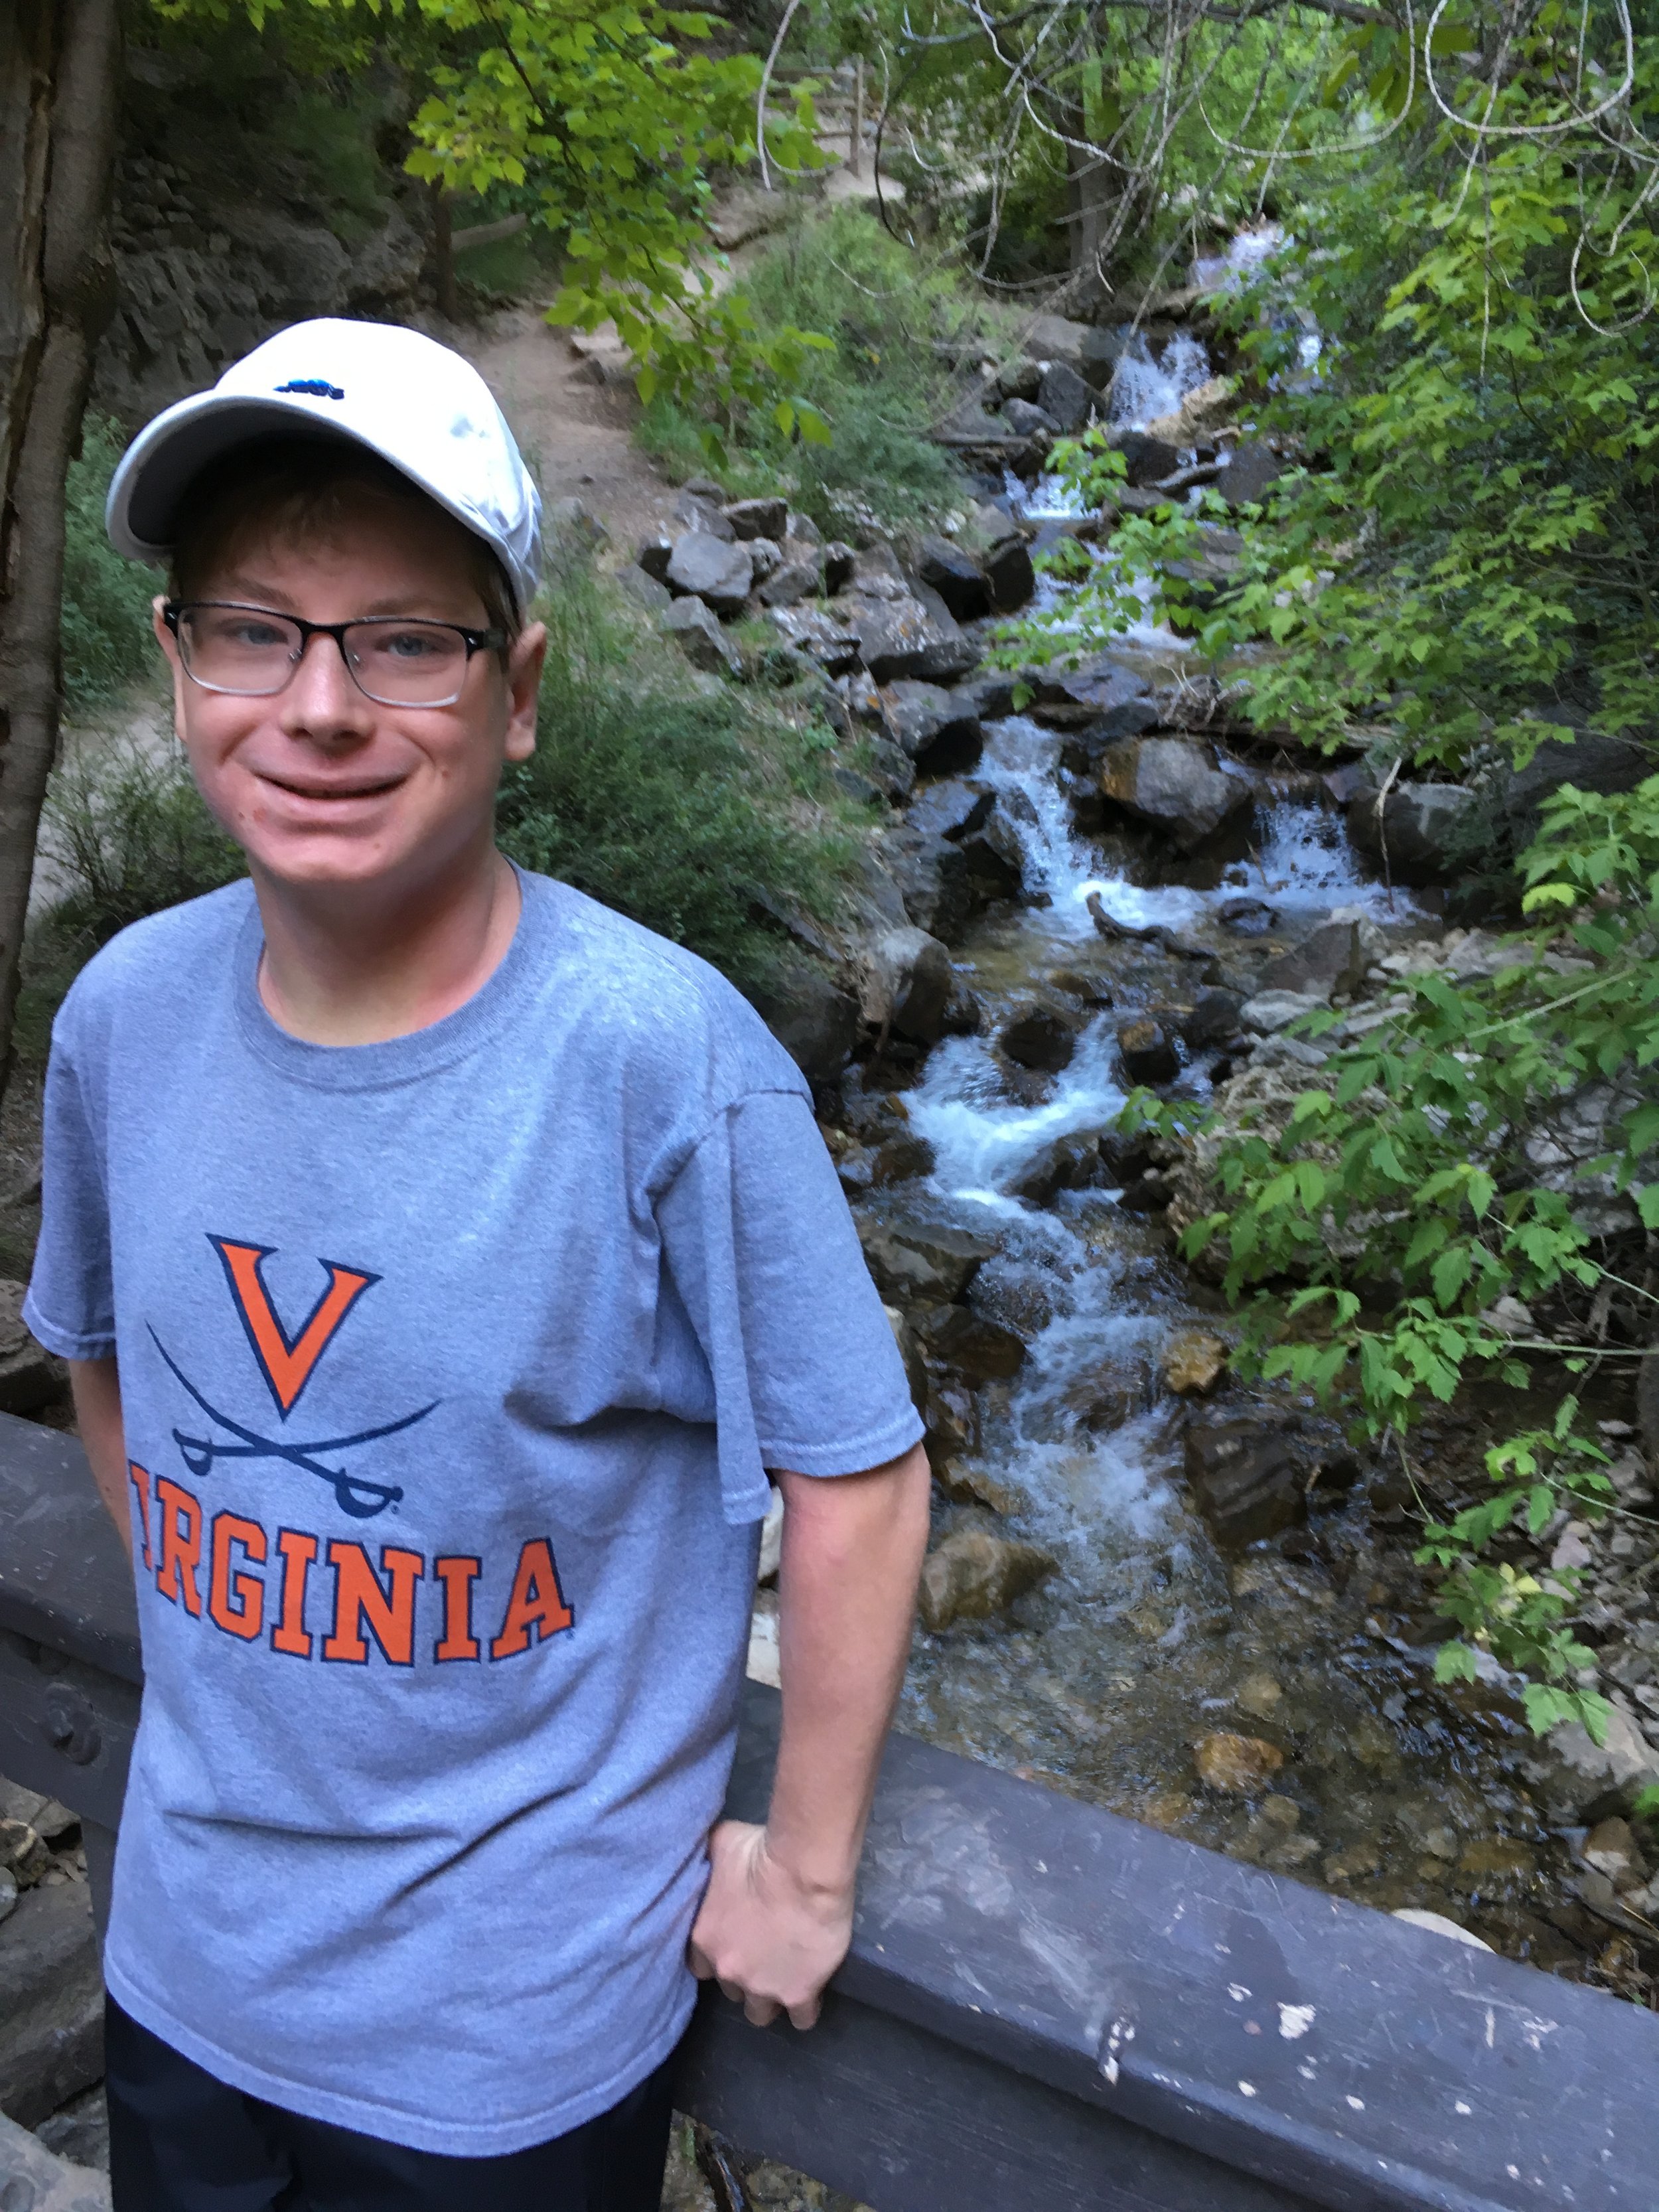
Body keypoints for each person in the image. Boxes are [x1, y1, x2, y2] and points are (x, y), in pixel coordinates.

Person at [24, 317, 931, 2211]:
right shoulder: (124, 1012)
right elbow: (99, 1348)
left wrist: (809, 1869)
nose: (322, 707)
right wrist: (241, 1644)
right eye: (256, 630)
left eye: (404, 641)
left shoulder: (658, 1060)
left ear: (515, 690)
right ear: (178, 666)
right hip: (186, 1957)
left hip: (505, 2043)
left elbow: (857, 1472)